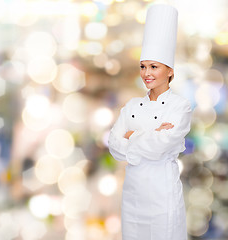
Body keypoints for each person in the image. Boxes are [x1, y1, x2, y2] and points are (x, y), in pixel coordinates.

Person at [108, 4, 192, 240]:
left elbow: (162, 145)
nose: (147, 73)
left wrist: (131, 136)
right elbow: (114, 145)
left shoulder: (180, 106)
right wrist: (151, 134)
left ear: (170, 71)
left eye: (154, 67)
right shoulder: (132, 105)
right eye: (143, 67)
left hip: (162, 194)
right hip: (133, 195)